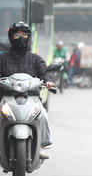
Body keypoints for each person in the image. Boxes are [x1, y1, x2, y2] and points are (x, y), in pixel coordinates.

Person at [0, 22, 55, 159]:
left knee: (43, 114)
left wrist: (48, 81)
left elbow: (44, 73)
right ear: (11, 37)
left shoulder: (35, 58)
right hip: (7, 97)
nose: (21, 38)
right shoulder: (3, 58)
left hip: (31, 98)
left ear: (29, 37)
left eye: (24, 34)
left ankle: (41, 145)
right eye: (17, 34)